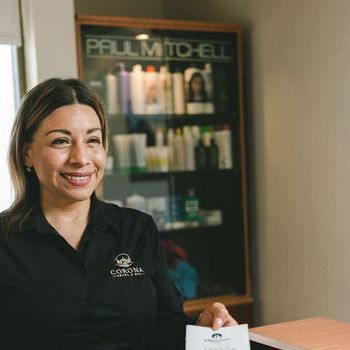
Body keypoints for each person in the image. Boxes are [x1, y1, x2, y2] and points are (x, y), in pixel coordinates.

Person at [0, 78, 237, 349]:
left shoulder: (137, 229)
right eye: (61, 141)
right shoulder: (5, 243)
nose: (81, 157)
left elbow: (165, 329)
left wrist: (200, 327)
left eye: (92, 140)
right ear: (26, 153)